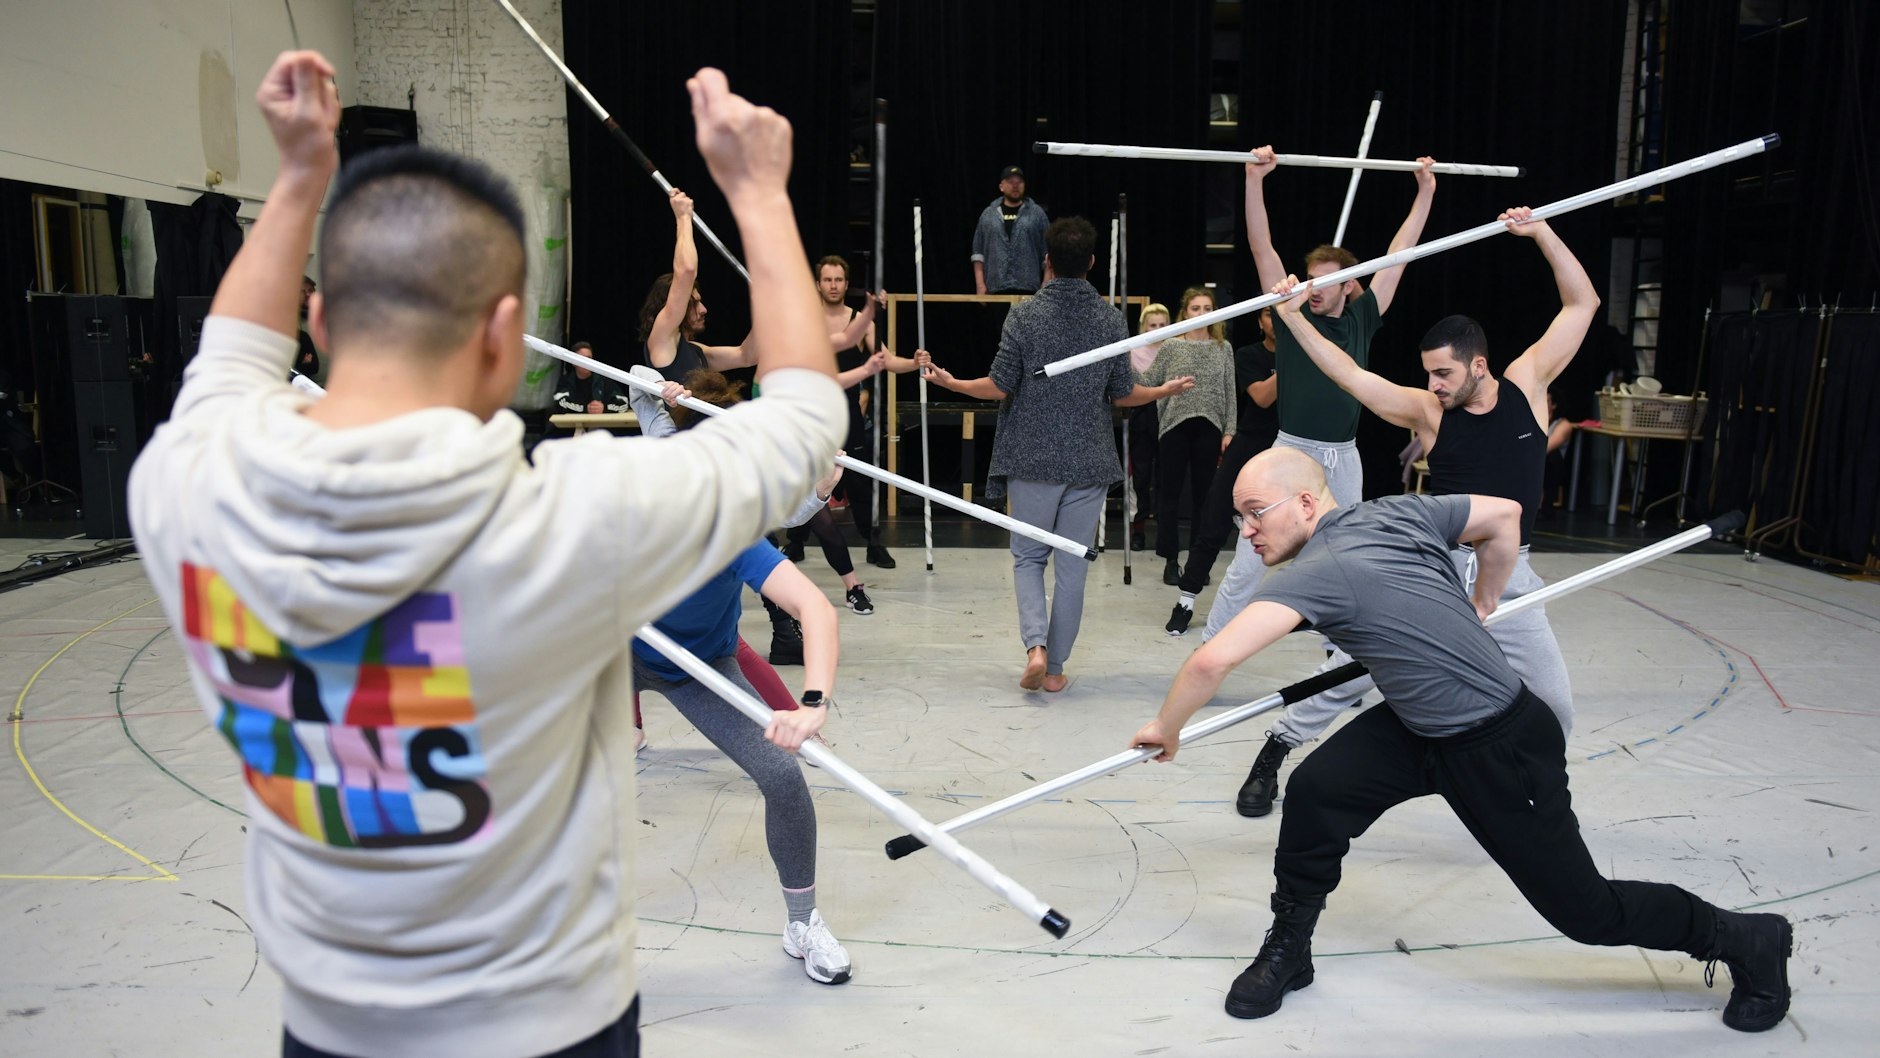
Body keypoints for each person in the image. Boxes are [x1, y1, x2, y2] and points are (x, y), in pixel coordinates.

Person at [128, 54, 846, 1058]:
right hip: (553, 1024)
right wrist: (759, 194)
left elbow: (230, 359)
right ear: (506, 340)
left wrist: (299, 177)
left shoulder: (183, 485)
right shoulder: (576, 520)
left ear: (320, 320)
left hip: (331, 1028)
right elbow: (809, 422)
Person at [1128, 448, 1793, 1033]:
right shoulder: (1397, 512)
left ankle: (1746, 940)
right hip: (1419, 724)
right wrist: (1487, 598)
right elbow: (1503, 515)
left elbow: (1212, 661)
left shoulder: (1318, 570)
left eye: (1254, 514)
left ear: (1305, 502)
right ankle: (1290, 947)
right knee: (1318, 790)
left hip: (1500, 745)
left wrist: (1168, 728)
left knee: (1589, 912)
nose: (1246, 533)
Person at [1230, 209, 1597, 818]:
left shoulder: (1528, 383)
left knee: (1554, 703)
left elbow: (1580, 304)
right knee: (1356, 670)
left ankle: (1537, 797)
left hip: (1511, 571)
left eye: (1445, 373)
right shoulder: (1428, 411)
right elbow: (1348, 373)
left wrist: (1541, 233)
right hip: (1436, 568)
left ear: (1479, 364)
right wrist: (1292, 316)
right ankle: (1279, 745)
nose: (1435, 384)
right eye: (1429, 373)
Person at [629, 368, 854, 984]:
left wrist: (812, 702)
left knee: (783, 776)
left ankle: (802, 922)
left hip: (701, 666)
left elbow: (814, 608)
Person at [919, 217, 1193, 690]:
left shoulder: (1024, 315)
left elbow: (999, 386)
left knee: (1028, 558)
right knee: (1072, 566)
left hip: (1032, 458)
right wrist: (1162, 390)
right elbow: (1123, 393)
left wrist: (952, 383)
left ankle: (1036, 648)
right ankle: (1057, 670)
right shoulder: (1109, 318)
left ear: (1046, 261)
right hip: (1088, 461)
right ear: (1091, 262)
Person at [1195, 148, 1437, 639]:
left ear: (1350, 285)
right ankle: (1212, 645)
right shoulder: (1290, 316)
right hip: (1291, 451)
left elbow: (1400, 255)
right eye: (1312, 279)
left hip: (1342, 457)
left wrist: (1425, 190)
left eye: (1327, 281)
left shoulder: (1362, 318)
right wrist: (1253, 180)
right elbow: (1262, 247)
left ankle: (1343, 653)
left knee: (1348, 556)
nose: (1315, 287)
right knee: (1250, 558)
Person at [625, 366, 845, 756]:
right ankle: (629, 728)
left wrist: (821, 489)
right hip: (652, 593)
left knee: (731, 647)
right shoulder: (666, 442)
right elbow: (637, 382)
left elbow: (786, 515)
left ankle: (803, 729)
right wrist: (658, 385)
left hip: (706, 593)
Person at [788, 253, 919, 570]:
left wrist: (914, 363)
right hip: (809, 411)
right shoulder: (805, 318)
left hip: (846, 411)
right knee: (804, 474)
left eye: (839, 280)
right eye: (827, 280)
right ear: (818, 284)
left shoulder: (860, 321)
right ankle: (794, 541)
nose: (833, 285)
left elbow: (886, 359)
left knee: (860, 479)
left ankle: (873, 542)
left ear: (847, 284)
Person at [1165, 306, 1278, 635]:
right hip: (1250, 443)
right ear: (1260, 322)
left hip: (1289, 446)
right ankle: (1186, 601)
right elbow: (1262, 398)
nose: (1276, 322)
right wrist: (1295, 359)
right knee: (1213, 521)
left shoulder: (1308, 354)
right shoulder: (1248, 354)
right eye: (1270, 316)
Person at [1137, 286, 1238, 587]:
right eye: (1196, 308)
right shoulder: (1171, 346)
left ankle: (1198, 561)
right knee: (1169, 495)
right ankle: (1170, 559)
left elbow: (1229, 391)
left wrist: (1230, 429)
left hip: (1210, 427)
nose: (1202, 314)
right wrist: (1120, 367)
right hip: (1173, 427)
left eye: (1208, 308)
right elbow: (1149, 381)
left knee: (1204, 498)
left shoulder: (1224, 348)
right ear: (1185, 313)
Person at [639, 188, 754, 381]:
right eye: (694, 303)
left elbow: (748, 356)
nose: (703, 309)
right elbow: (686, 271)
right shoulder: (662, 336)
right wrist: (683, 218)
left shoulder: (697, 351)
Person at [1126, 303, 1171, 551]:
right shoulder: (1132, 349)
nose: (1157, 329)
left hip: (1168, 414)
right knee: (1140, 477)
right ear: (1143, 327)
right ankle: (1139, 530)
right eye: (1152, 325)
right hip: (1142, 415)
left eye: (1162, 325)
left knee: (1166, 476)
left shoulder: (1175, 348)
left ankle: (1165, 532)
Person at [971, 165, 1050, 295]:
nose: (1015, 185)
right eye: (1010, 182)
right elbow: (978, 253)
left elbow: (1048, 252)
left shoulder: (1037, 214)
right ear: (1001, 186)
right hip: (995, 289)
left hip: (1028, 289)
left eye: (1019, 182)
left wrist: (1046, 283)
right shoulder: (988, 214)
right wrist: (980, 285)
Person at [552, 341, 629, 416]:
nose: (587, 362)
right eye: (582, 358)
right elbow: (559, 403)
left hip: (600, 426)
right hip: (572, 427)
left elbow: (624, 403)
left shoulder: (603, 380)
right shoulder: (566, 381)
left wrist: (604, 408)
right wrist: (585, 409)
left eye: (589, 358)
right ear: (573, 362)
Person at [294, 275, 322, 383]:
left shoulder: (326, 317)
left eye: (310, 290)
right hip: (310, 387)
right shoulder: (293, 322)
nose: (307, 294)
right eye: (303, 291)